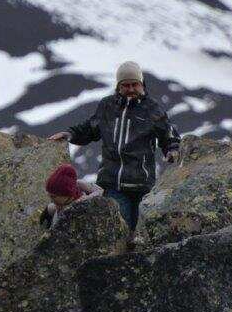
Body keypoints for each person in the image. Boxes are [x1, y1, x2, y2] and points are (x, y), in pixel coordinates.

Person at [49, 60, 180, 230]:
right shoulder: (107, 106)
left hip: (142, 184)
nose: (131, 89)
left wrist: (172, 149)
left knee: (140, 230)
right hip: (111, 184)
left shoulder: (152, 109)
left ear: (142, 85)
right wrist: (70, 134)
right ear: (118, 86)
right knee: (119, 228)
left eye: (135, 84)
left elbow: (167, 132)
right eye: (126, 85)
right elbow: (90, 128)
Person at [39, 163, 101, 229]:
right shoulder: (59, 201)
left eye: (53, 196)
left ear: (65, 194)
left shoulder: (79, 185)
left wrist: (87, 198)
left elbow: (99, 191)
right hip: (61, 208)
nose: (50, 197)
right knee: (50, 208)